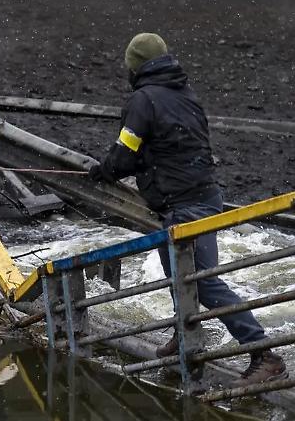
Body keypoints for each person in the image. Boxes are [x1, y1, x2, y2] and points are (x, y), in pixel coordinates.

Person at [88, 33, 287, 387]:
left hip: (184, 204)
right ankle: (185, 334)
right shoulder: (186, 95)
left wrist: (104, 171)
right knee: (178, 272)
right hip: (204, 195)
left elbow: (125, 153)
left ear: (133, 66)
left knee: (203, 283)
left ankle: (264, 352)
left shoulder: (142, 100)